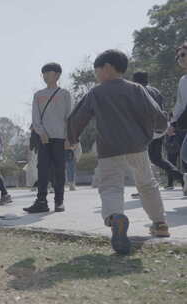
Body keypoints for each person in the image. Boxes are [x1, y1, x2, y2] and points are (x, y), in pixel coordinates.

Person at [68, 49, 170, 255]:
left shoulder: (96, 92)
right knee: (147, 184)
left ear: (106, 68)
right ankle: (159, 223)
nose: (97, 76)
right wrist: (161, 127)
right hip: (137, 147)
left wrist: (72, 139)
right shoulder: (137, 89)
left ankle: (116, 217)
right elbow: (156, 114)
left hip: (109, 149)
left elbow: (78, 117)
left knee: (111, 187)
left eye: (97, 71)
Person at [23, 63, 72, 213]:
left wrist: (69, 138)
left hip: (60, 139)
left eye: (47, 73)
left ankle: (59, 202)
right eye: (43, 73)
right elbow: (35, 117)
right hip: (43, 138)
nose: (44, 76)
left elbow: (69, 117)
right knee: (42, 170)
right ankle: (41, 201)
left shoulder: (64, 94)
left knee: (59, 170)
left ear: (57, 75)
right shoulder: (38, 95)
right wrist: (41, 132)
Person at [129, 72, 184, 199]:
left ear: (135, 80)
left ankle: (145, 188)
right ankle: (181, 178)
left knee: (143, 159)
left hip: (146, 131)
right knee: (156, 159)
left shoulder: (138, 91)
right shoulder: (156, 91)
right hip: (160, 129)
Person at [168, 42, 187, 196]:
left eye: (183, 54)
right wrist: (172, 122)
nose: (179, 59)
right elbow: (180, 104)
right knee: (184, 153)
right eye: (178, 56)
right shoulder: (183, 80)